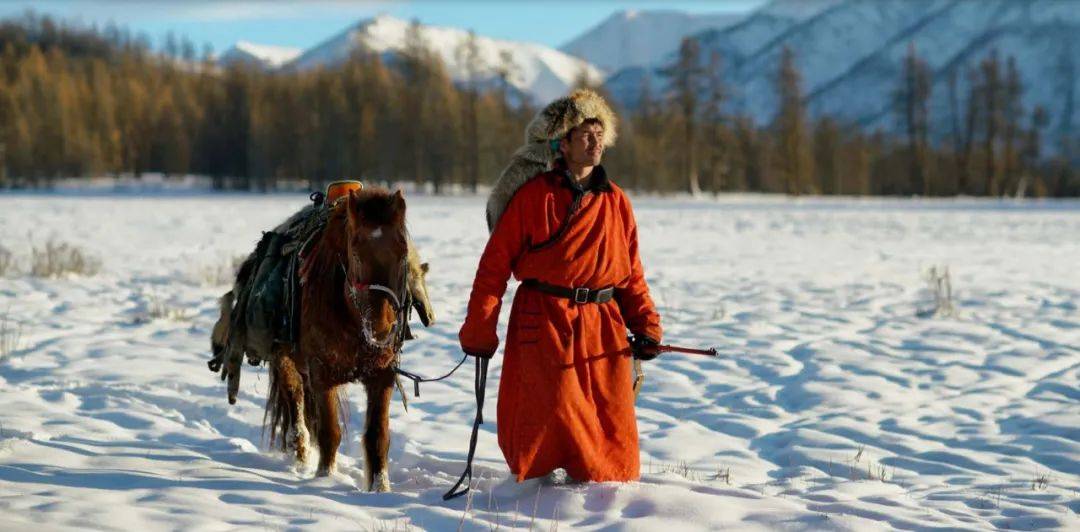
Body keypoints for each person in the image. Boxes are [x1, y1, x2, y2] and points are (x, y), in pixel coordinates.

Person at [458, 89, 662, 483]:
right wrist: (480, 328)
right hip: (546, 322)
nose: (595, 141)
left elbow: (630, 272)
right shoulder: (534, 197)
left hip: (603, 329)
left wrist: (646, 325)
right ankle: (545, 499)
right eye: (586, 133)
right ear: (563, 143)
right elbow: (494, 267)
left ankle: (602, 503)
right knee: (555, 415)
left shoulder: (616, 201)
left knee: (609, 424)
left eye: (600, 134)